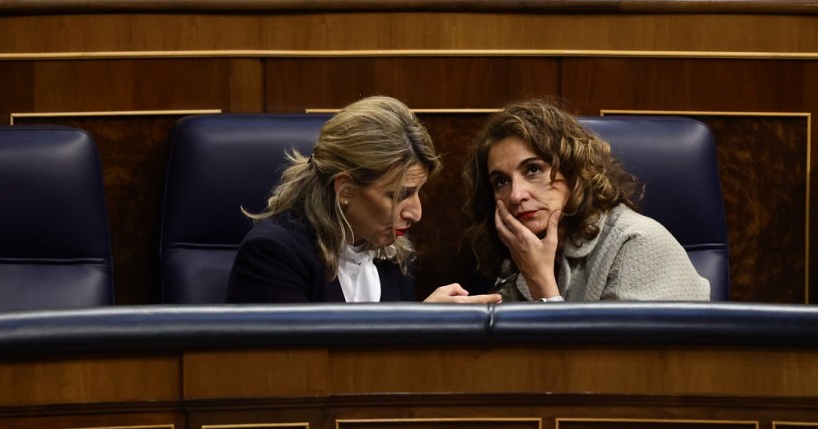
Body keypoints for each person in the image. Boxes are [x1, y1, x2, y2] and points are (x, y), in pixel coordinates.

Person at [226, 95, 500, 304]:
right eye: (397, 195)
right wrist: (418, 325)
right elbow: (297, 372)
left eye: (418, 192)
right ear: (345, 189)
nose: (416, 213)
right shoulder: (274, 254)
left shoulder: (395, 251)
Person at [462, 98, 711, 302]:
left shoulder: (637, 244)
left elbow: (609, 364)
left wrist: (541, 284)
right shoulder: (521, 254)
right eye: (501, 181)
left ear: (572, 170)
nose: (516, 195)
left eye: (533, 169)